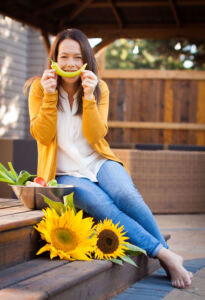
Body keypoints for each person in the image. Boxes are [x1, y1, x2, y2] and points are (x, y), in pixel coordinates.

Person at [25, 28, 193, 289]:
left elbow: (97, 134)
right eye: (65, 56)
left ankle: (165, 254)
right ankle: (166, 254)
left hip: (99, 161)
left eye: (78, 58)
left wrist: (89, 98)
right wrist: (49, 97)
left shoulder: (98, 87)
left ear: (86, 60)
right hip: (64, 173)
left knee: (127, 195)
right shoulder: (39, 88)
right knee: (101, 205)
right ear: (54, 59)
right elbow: (42, 135)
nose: (71, 63)